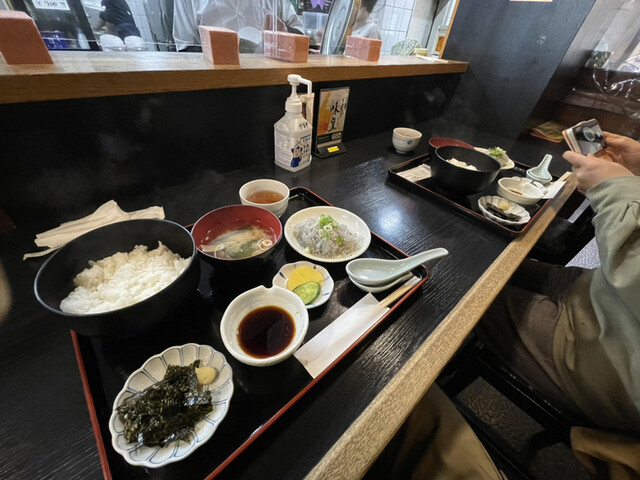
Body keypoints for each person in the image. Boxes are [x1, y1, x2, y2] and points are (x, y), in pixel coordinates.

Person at [367, 131, 640, 479]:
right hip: (604, 294)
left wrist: (618, 189)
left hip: (612, 353)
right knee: (470, 263)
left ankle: (429, 363)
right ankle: (452, 349)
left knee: (456, 288)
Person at [172, 0, 304, 53]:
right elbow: (185, 48)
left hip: (268, 84)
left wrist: (286, 32)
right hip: (214, 86)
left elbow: (301, 36)